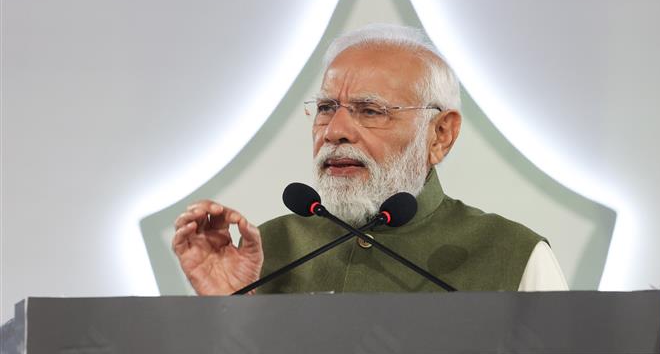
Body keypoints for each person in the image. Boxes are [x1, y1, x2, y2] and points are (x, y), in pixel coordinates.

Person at [172, 24, 567, 295]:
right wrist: (225, 313)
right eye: (326, 107)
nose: (334, 131)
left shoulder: (514, 255)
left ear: (440, 134)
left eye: (370, 111)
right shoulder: (265, 255)